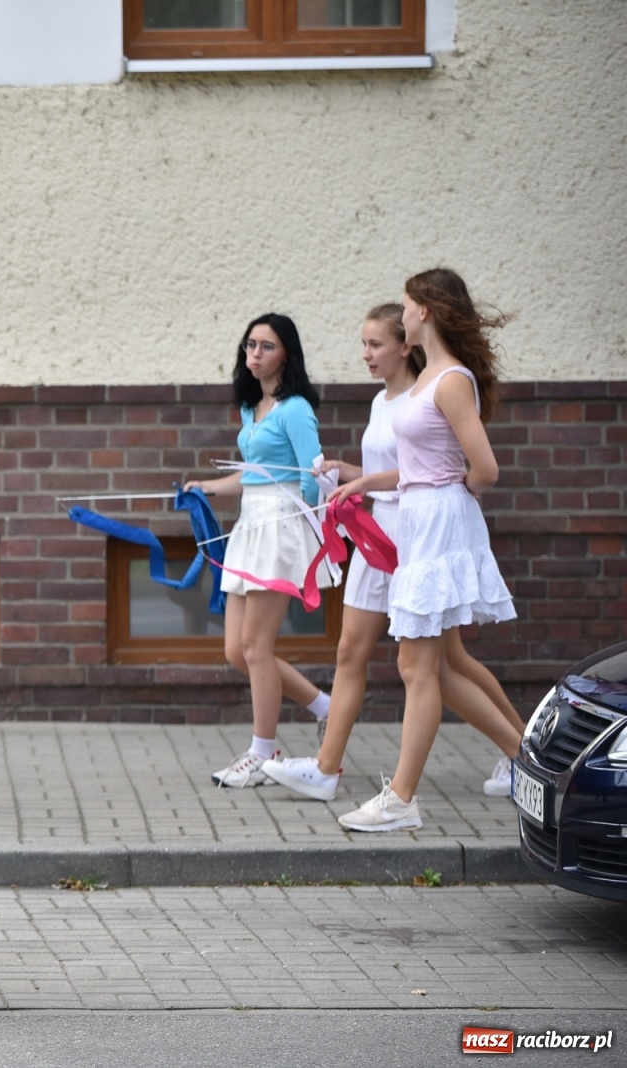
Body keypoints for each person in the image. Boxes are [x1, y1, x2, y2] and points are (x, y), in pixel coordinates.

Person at [262, 305, 526, 803]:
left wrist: (371, 484)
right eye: (363, 344)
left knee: (443, 665)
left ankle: (525, 756)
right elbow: (394, 469)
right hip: (375, 533)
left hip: (413, 536)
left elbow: (430, 472)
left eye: (375, 344)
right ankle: (326, 769)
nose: (366, 354)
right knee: (355, 651)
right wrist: (348, 473)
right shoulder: (382, 401)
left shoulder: (426, 394)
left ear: (405, 345)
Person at [337, 268, 519, 832]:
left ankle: (402, 799)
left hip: (439, 523)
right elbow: (417, 466)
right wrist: (366, 482)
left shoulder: (450, 380)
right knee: (431, 667)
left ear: (426, 313)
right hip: (420, 520)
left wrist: (452, 493)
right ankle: (529, 761)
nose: (403, 312)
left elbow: (484, 469)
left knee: (417, 666)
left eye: (407, 305)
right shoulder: (427, 380)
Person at [185, 314, 333, 789]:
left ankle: (262, 752)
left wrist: (311, 535)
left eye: (267, 346)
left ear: (286, 353)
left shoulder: (296, 409)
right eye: (250, 345)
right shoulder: (252, 408)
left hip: (280, 530)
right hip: (250, 525)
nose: (255, 354)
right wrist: (207, 486)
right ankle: (325, 707)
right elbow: (252, 475)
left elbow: (313, 477)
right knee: (237, 650)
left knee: (256, 647)